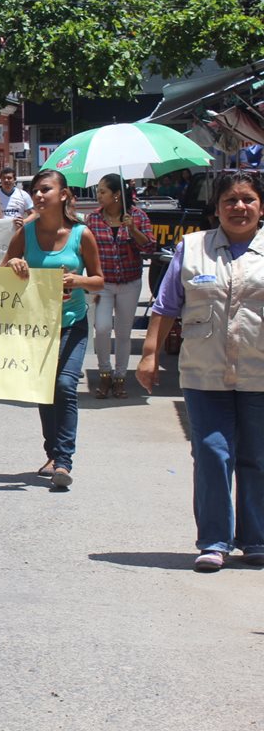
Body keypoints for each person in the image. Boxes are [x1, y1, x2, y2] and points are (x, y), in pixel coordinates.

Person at [137, 171, 264, 572]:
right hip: (203, 373)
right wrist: (149, 353)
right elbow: (165, 304)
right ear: (217, 208)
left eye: (248, 200)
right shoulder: (192, 248)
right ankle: (214, 541)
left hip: (260, 372)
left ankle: (256, 539)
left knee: (256, 458)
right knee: (211, 453)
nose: (239, 207)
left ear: (261, 207)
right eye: (230, 200)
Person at [3, 169, 104, 489]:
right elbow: (4, 267)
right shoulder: (26, 233)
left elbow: (99, 280)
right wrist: (14, 265)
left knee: (64, 385)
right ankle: (52, 452)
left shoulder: (81, 234)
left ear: (63, 195)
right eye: (35, 190)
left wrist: (78, 280)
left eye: (45, 189)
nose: (38, 195)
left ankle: (63, 461)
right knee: (44, 391)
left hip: (73, 323)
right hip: (37, 327)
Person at [85, 173, 155, 398]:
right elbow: (85, 248)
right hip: (103, 283)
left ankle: (120, 377)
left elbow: (150, 247)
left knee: (123, 333)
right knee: (103, 328)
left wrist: (133, 230)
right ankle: (104, 373)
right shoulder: (93, 219)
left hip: (130, 282)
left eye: (103, 191)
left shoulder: (137, 216)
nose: (99, 195)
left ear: (117, 195)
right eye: (98, 191)